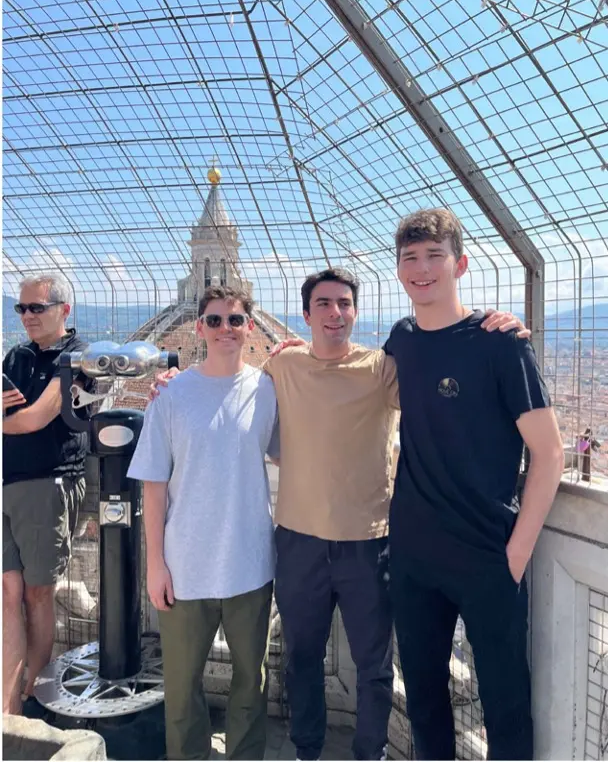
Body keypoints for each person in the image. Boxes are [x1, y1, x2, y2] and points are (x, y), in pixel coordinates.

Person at [153, 268, 528, 761]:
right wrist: (171, 381)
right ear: (305, 315)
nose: (335, 313)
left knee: (375, 667)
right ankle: (308, 751)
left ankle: (368, 754)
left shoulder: (381, 368)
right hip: (298, 543)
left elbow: (442, 383)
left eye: (344, 303)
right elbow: (224, 383)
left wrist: (488, 332)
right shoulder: (282, 365)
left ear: (355, 312)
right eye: (324, 304)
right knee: (301, 659)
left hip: (368, 543)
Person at [383, 208, 564, 760]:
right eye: (410, 258)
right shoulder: (402, 340)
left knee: (505, 705)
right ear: (399, 270)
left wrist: (517, 553)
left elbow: (550, 452)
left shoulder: (501, 344)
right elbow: (347, 379)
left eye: (434, 256)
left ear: (459, 265)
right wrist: (290, 357)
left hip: (487, 554)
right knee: (423, 700)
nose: (421, 268)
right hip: (413, 555)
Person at [127, 285, 279, 761]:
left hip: (250, 566)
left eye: (234, 320)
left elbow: (292, 452)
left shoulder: (269, 389)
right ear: (199, 328)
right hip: (185, 568)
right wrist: (156, 565)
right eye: (214, 320)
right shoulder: (171, 394)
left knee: (251, 684)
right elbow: (153, 485)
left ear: (249, 327)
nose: (225, 329)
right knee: (181, 688)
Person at [3, 273, 92, 715]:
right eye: (21, 308)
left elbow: (36, 417)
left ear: (64, 310)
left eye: (36, 307)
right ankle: (9, 706)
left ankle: (32, 694)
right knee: (7, 591)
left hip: (48, 483)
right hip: (7, 482)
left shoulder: (79, 356)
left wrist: (14, 418)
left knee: (38, 593)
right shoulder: (15, 356)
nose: (27, 316)